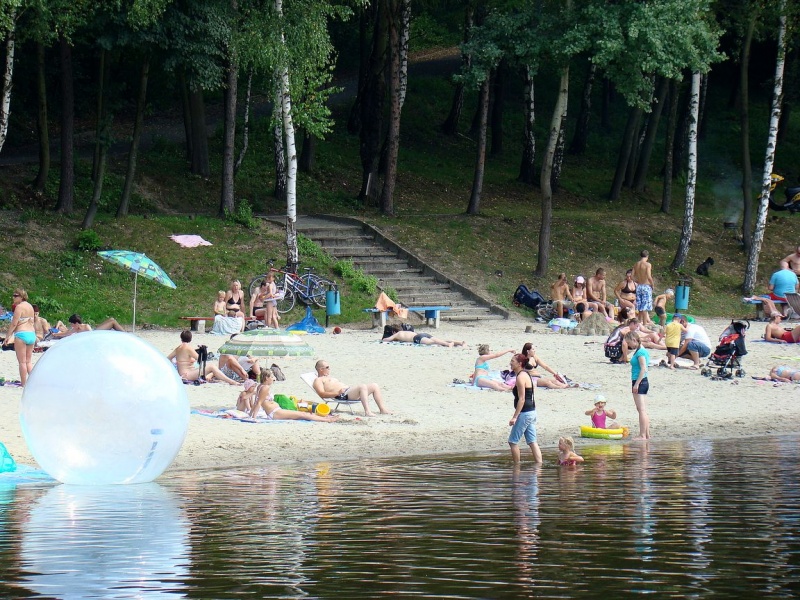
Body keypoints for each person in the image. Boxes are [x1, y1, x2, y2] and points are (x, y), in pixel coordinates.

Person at [251, 370, 339, 422]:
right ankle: (327, 420)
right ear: (266, 378)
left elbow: (256, 401)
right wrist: (253, 418)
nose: (274, 379)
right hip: (274, 413)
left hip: (275, 411)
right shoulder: (265, 388)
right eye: (272, 377)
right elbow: (258, 403)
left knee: (303, 413)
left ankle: (325, 417)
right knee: (303, 414)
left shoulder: (260, 386)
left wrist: (250, 414)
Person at [313, 360, 391, 416]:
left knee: (375, 385)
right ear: (321, 369)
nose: (329, 369)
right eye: (327, 367)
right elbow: (321, 394)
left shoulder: (330, 377)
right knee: (362, 386)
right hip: (342, 395)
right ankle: (367, 411)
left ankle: (382, 409)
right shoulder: (318, 380)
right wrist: (337, 393)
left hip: (348, 391)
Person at [167, 330, 239, 385]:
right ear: (190, 339)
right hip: (188, 374)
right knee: (211, 367)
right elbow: (200, 359)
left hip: (183, 373)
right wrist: (202, 350)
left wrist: (177, 364)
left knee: (207, 368)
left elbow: (168, 358)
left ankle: (218, 378)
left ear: (181, 338)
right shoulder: (188, 348)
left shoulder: (178, 348)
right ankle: (232, 382)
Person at [507, 352, 541, 464]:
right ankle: (539, 466)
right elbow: (531, 392)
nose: (510, 363)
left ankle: (516, 467)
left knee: (513, 442)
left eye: (512, 361)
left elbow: (521, 399)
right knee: (532, 441)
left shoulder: (521, 377)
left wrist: (514, 417)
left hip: (525, 413)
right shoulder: (526, 375)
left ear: (519, 363)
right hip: (531, 412)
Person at [5, 289, 35, 386]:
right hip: (31, 334)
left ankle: (23, 384)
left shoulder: (19, 307)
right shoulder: (30, 306)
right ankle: (34, 382)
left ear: (21, 297)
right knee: (28, 361)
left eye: (15, 295)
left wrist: (7, 336)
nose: (13, 297)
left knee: (22, 362)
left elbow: (14, 323)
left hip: (21, 334)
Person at [625, 331, 650, 440]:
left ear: (634, 340)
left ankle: (642, 435)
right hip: (641, 381)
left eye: (629, 343)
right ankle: (647, 434)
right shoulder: (641, 349)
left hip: (640, 381)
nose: (629, 345)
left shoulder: (640, 352)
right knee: (642, 409)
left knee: (641, 409)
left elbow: (643, 368)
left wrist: (636, 384)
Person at [381, 324, 465, 347]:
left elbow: (386, 340)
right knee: (440, 340)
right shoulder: (405, 331)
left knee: (433, 342)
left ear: (393, 331)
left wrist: (384, 339)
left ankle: (448, 344)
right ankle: (460, 342)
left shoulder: (397, 334)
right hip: (421, 334)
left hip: (417, 338)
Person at [50, 313, 125, 338]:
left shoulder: (86, 326)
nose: (71, 326)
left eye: (72, 324)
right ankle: (125, 333)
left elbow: (92, 335)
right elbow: (67, 333)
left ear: (76, 323)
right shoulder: (76, 329)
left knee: (112, 321)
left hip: (95, 333)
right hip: (94, 332)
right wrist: (56, 334)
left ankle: (125, 334)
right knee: (112, 320)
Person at [633, 250, 654, 325]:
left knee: (640, 306)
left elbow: (632, 276)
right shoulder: (647, 264)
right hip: (646, 286)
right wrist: (652, 284)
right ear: (647, 256)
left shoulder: (636, 264)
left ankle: (638, 323)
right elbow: (649, 276)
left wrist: (637, 281)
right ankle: (644, 324)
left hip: (639, 286)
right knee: (645, 306)